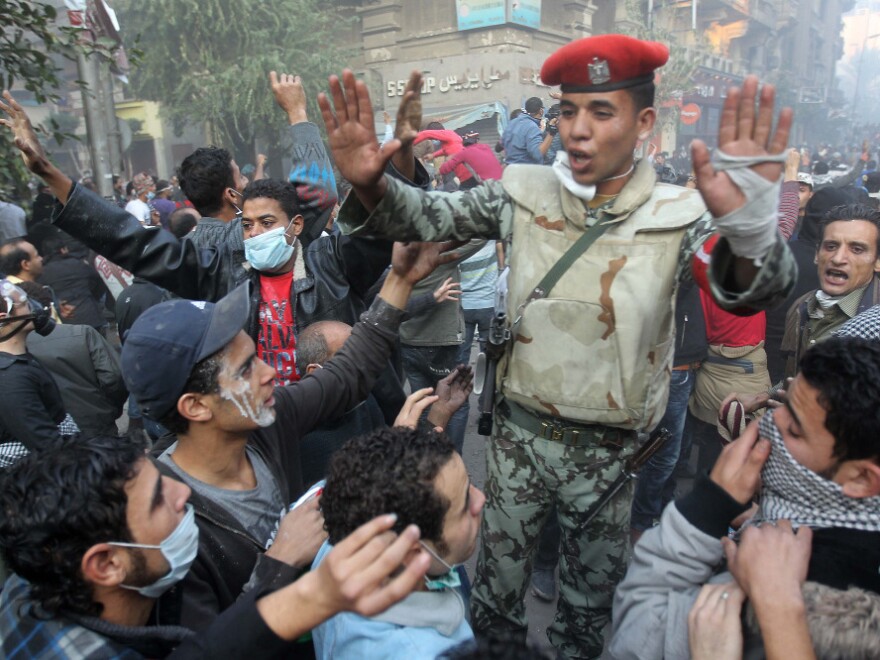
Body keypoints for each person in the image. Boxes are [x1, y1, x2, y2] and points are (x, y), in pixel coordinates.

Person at [317, 32, 796, 656]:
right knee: (493, 597)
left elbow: (745, 290)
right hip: (519, 443)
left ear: (645, 121)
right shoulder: (522, 190)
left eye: (602, 111)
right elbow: (429, 219)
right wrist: (372, 186)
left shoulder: (680, 214)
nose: (577, 129)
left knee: (590, 611)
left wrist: (750, 226)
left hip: (613, 456)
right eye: (568, 110)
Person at [114, 235, 451, 634]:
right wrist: (278, 562)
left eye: (256, 355)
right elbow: (208, 647)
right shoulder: (163, 518)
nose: (270, 372)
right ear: (196, 406)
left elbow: (349, 370)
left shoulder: (268, 424)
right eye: (244, 370)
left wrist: (400, 280)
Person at [0, 435, 434, 659]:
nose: (182, 493)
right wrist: (305, 588)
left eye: (162, 477)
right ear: (107, 564)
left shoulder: (38, 572)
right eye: (157, 502)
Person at [607, 336, 880, 659]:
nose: (766, 426)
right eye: (781, 406)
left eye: (793, 431)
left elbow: (637, 636)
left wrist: (706, 509)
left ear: (862, 479)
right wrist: (755, 517)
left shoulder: (781, 600)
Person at [313, 426, 485, 658]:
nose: (480, 499)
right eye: (465, 502)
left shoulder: (346, 540)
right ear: (414, 554)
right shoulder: (420, 652)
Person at [21, 281, 126, 438]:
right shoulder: (82, 333)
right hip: (97, 425)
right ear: (50, 308)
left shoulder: (12, 349)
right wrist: (108, 410)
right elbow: (114, 377)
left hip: (45, 436)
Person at [0, 278, 70, 467]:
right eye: (24, 304)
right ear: (3, 317)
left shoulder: (16, 364)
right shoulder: (11, 379)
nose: (34, 308)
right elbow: (49, 447)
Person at [501, 97, 553, 164]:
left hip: (510, 169)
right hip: (525, 171)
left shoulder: (512, 123)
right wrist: (552, 132)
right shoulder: (532, 127)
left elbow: (499, 147)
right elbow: (538, 154)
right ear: (541, 111)